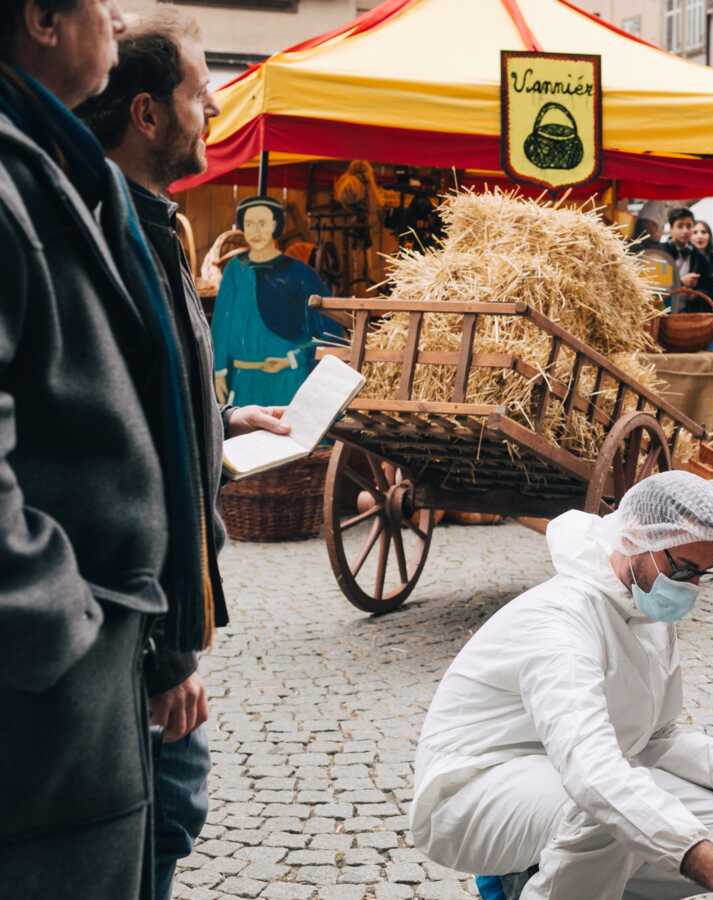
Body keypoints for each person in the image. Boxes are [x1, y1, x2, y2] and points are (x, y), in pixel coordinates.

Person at [76, 11, 293, 898]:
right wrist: (166, 657)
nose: (211, 109)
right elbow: (103, 458)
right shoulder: (106, 234)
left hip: (156, 621)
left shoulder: (159, 228)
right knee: (160, 818)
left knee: (168, 815)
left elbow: (151, 395)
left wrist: (225, 421)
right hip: (135, 628)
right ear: (147, 115)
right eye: (198, 93)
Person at [0, 1, 206, 897]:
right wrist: (81, 637)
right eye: (97, 0)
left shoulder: (51, 171)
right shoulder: (19, 183)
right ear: (43, 20)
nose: (116, 18)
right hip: (60, 703)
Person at [411, 471, 713, 900]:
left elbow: (652, 736)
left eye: (703, 574)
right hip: (474, 787)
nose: (691, 588)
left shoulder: (648, 610)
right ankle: (526, 878)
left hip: (561, 779)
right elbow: (592, 771)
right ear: (637, 541)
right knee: (602, 813)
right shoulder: (560, 621)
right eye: (684, 569)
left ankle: (546, 876)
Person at [210, 193, 332, 407]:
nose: (255, 231)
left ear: (276, 225)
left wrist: (293, 359)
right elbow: (221, 323)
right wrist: (219, 370)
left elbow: (329, 331)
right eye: (249, 224)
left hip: (287, 383)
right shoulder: (234, 271)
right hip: (244, 384)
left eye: (262, 223)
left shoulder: (301, 275)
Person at [659, 205, 713, 310]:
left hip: (688, 313)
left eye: (689, 226)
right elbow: (657, 284)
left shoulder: (698, 255)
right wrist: (681, 282)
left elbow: (710, 285)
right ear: (671, 229)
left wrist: (697, 293)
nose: (685, 231)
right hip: (663, 311)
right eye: (680, 226)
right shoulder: (661, 252)